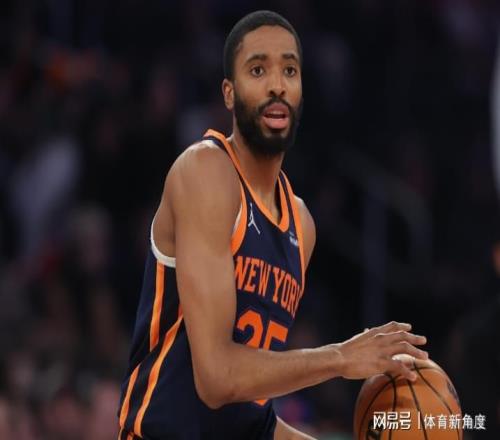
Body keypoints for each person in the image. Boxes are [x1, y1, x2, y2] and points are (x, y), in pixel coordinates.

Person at [117, 10, 428, 440]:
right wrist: (341, 357)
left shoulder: (302, 224)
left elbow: (251, 417)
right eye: (258, 70)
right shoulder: (206, 172)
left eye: (290, 71)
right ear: (229, 93)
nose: (277, 84)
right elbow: (217, 379)